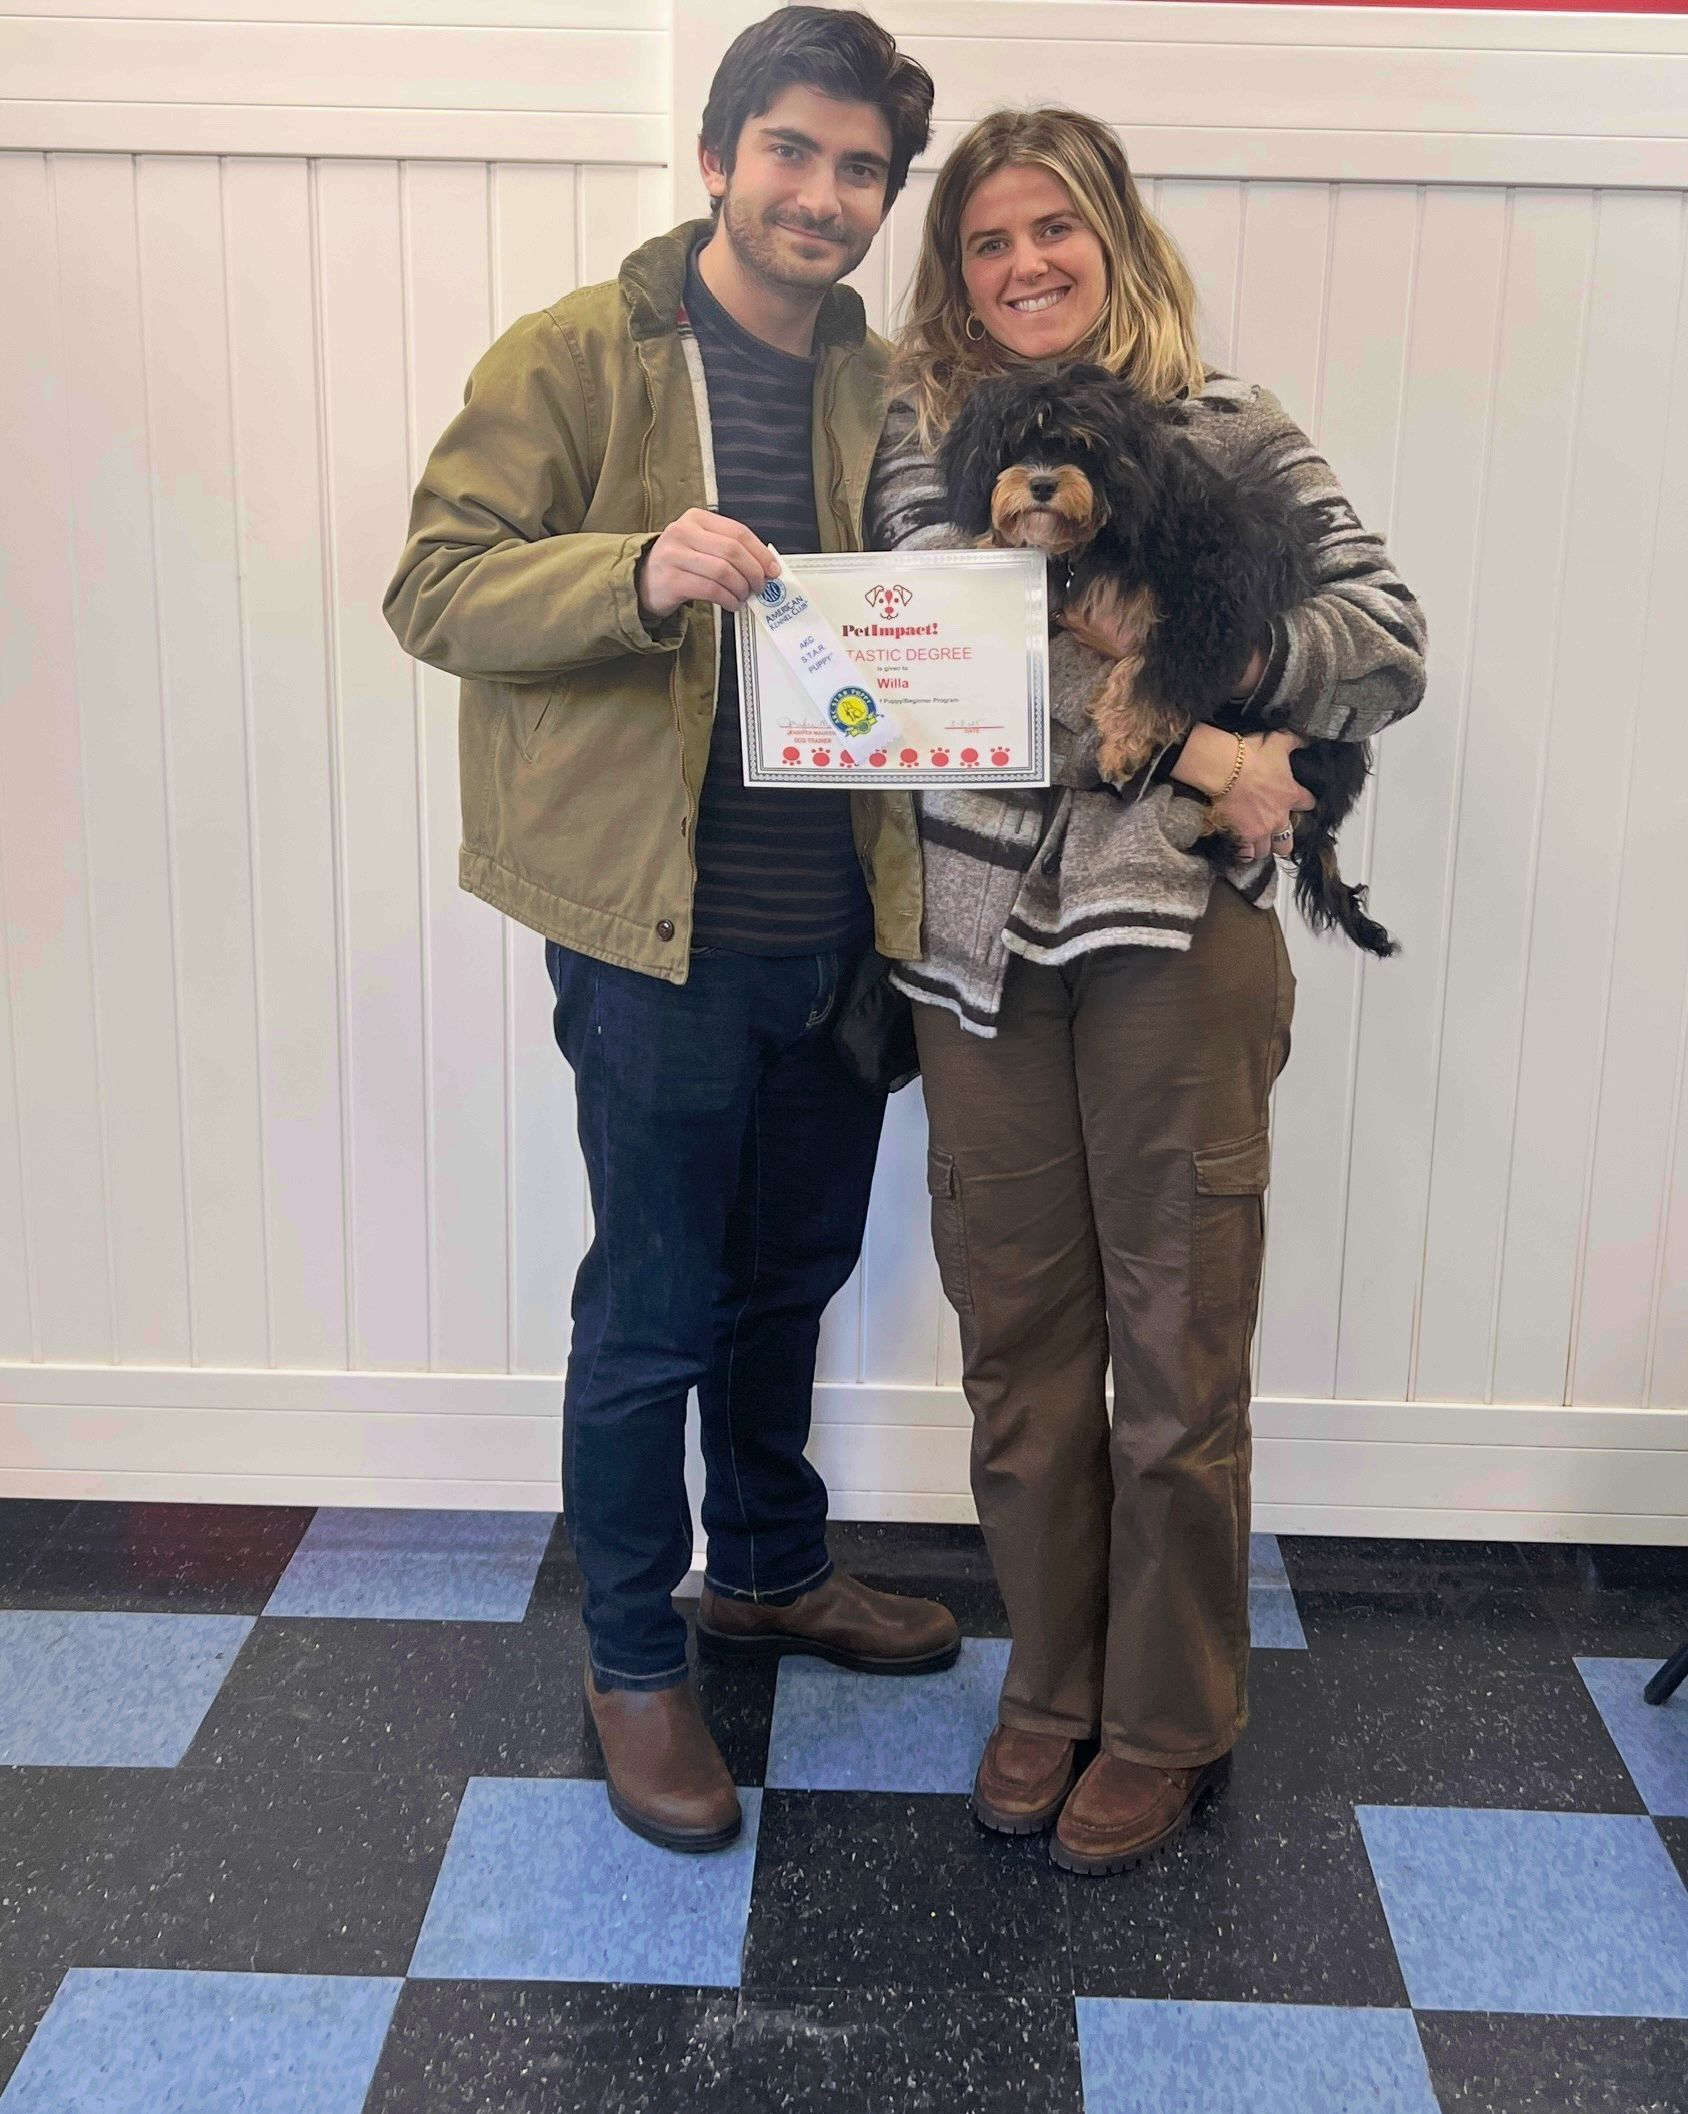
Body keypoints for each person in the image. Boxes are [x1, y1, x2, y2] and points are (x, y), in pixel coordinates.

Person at [385, 8, 955, 1858]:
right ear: (718, 157)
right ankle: (636, 1653)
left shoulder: (894, 379)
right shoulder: (581, 350)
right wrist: (634, 571)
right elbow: (436, 585)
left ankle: (773, 1571)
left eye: (861, 168)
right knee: (652, 1309)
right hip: (654, 932)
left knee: (787, 1277)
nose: (824, 194)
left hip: (844, 929)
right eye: (790, 151)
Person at [869, 107, 1427, 1876]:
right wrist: (1207, 743)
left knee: (1181, 1351)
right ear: (952, 272)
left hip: (1178, 949)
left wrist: (1235, 673)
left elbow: (1387, 637)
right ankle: (1048, 1684)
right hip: (974, 958)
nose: (1025, 263)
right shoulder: (921, 439)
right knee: (1021, 1349)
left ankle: (1172, 1717)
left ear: (1115, 236)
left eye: (1057, 228)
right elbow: (931, 660)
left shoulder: (1233, 427)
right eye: (985, 240)